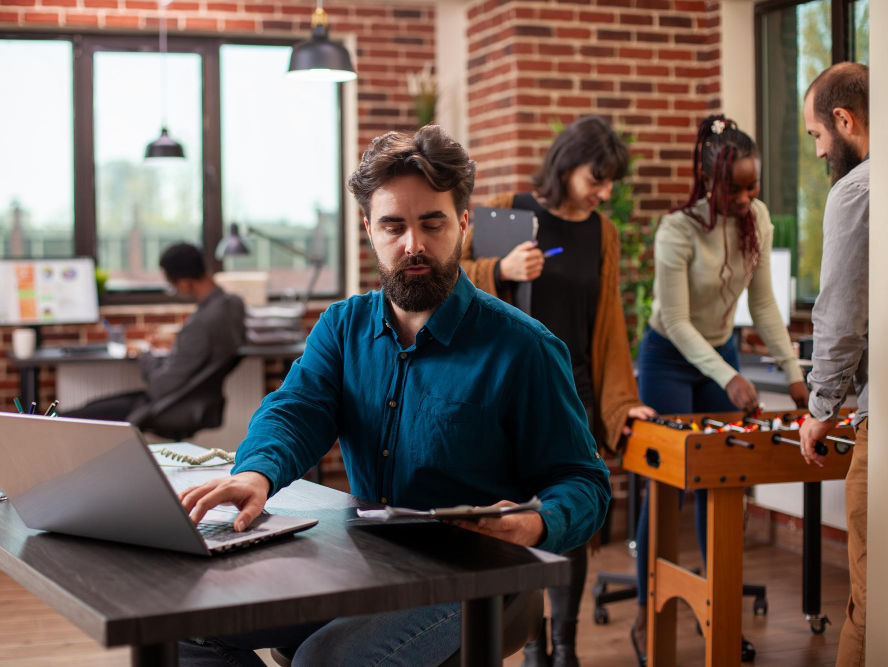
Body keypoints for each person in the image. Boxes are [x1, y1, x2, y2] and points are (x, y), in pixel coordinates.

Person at [176, 125, 612, 667]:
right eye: (393, 226)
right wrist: (256, 474)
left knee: (325, 661)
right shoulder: (342, 327)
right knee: (188, 624)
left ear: (463, 223)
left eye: (433, 223)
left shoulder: (525, 348)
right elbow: (296, 411)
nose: (413, 245)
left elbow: (586, 483)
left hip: (477, 573)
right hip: (365, 559)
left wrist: (537, 522)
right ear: (369, 229)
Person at [461, 115, 655, 667]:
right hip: (510, 393)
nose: (605, 192)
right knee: (515, 516)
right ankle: (533, 644)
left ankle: (565, 647)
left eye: (610, 182)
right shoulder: (509, 210)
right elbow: (448, 277)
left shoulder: (603, 233)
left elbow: (608, 323)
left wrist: (622, 402)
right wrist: (499, 269)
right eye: (597, 178)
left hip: (576, 395)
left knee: (569, 518)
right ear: (566, 165)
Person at [630, 115, 809, 666]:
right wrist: (727, 377)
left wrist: (793, 373)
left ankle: (719, 616)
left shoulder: (757, 219)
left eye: (754, 187)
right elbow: (677, 321)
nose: (748, 199)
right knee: (669, 489)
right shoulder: (677, 230)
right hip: (668, 357)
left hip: (721, 353)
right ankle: (648, 614)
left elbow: (764, 304)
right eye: (736, 189)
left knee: (722, 484)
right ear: (709, 180)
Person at [797, 62, 869, 667]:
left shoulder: (856, 190)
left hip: (883, 423)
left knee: (872, 603)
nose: (820, 151)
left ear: (844, 120)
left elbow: (841, 315)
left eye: (818, 135)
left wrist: (821, 409)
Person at [62, 243, 245, 423]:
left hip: (169, 404)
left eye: (173, 286)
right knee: (93, 406)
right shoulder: (233, 304)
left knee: (70, 418)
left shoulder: (201, 324)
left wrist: (143, 354)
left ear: (184, 282)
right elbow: (204, 347)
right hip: (194, 399)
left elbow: (160, 385)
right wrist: (178, 340)